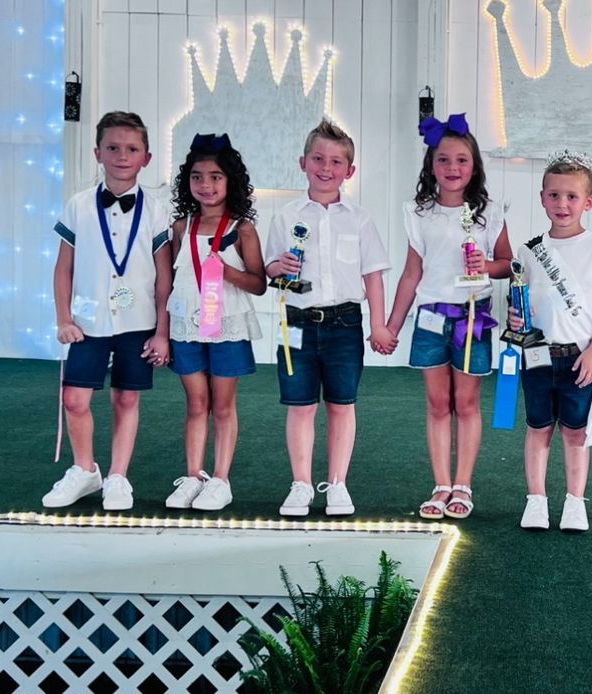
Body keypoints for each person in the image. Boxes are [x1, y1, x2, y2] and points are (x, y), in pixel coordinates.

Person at [376, 114, 512, 520]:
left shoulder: (489, 212)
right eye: (443, 160)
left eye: (462, 161)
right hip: (431, 317)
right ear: (431, 166)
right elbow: (411, 274)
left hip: (473, 317)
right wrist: (391, 325)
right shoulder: (419, 213)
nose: (452, 169)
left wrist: (485, 265)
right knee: (437, 404)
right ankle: (440, 483)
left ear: (475, 167)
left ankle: (463, 485)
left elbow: (507, 264)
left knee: (467, 402)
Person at [44, 111, 172, 511]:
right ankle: (85, 469)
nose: (122, 156)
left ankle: (118, 476)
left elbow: (165, 277)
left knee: (126, 399)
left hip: (138, 321)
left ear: (146, 158)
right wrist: (63, 318)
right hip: (87, 322)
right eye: (113, 148)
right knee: (75, 400)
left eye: (132, 149)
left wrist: (162, 332)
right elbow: (63, 267)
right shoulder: (79, 205)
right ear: (98, 152)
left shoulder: (156, 208)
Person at [264, 119, 392, 517]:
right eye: (318, 158)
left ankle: (337, 484)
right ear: (303, 162)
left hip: (345, 324)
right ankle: (301, 483)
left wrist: (378, 324)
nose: (326, 167)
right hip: (297, 322)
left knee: (341, 404)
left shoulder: (359, 218)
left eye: (336, 162)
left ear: (349, 171)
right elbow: (269, 268)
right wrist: (277, 267)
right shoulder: (285, 217)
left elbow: (373, 273)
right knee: (301, 406)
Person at [509, 149, 592, 532]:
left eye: (572, 196)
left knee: (575, 430)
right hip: (537, 354)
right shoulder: (529, 250)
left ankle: (575, 501)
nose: (562, 203)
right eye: (554, 195)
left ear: (588, 202)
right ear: (542, 198)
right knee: (538, 426)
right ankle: (536, 500)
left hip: (578, 357)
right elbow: (521, 299)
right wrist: (515, 317)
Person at [163, 134, 266, 512]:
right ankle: (194, 475)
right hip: (187, 323)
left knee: (222, 405)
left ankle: (221, 479)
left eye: (215, 177)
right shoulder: (180, 227)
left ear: (231, 181)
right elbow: (170, 279)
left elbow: (258, 284)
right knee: (195, 402)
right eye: (197, 177)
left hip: (227, 324)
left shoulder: (243, 228)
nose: (205, 185)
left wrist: (227, 273)